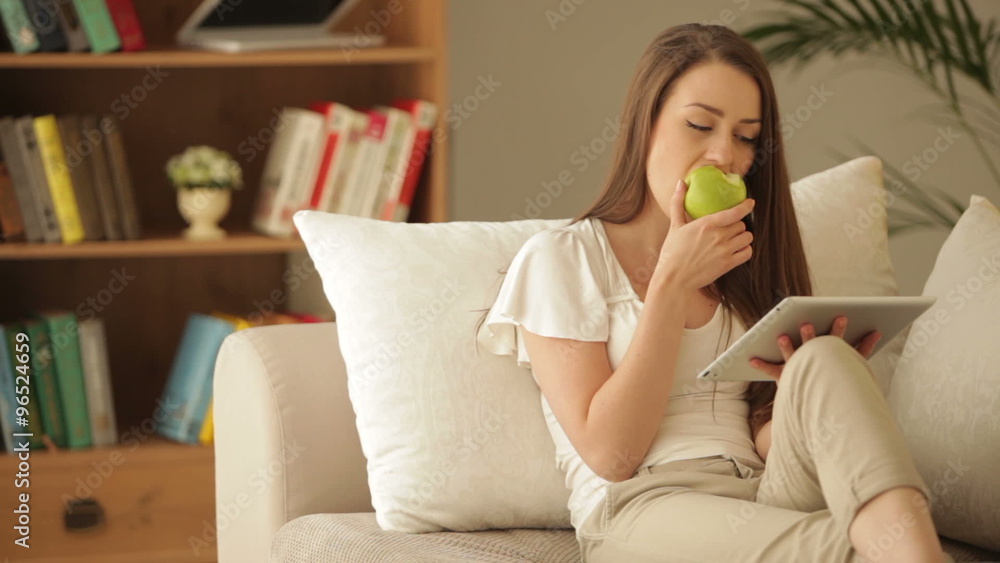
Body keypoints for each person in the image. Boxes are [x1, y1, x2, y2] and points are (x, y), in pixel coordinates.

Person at [474, 23, 952, 563]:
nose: (723, 154)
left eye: (746, 137)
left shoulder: (743, 261)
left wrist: (805, 395)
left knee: (823, 358)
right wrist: (671, 285)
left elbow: (762, 444)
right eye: (700, 125)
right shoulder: (562, 259)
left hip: (760, 490)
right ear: (645, 124)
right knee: (865, 550)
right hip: (642, 505)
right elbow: (612, 454)